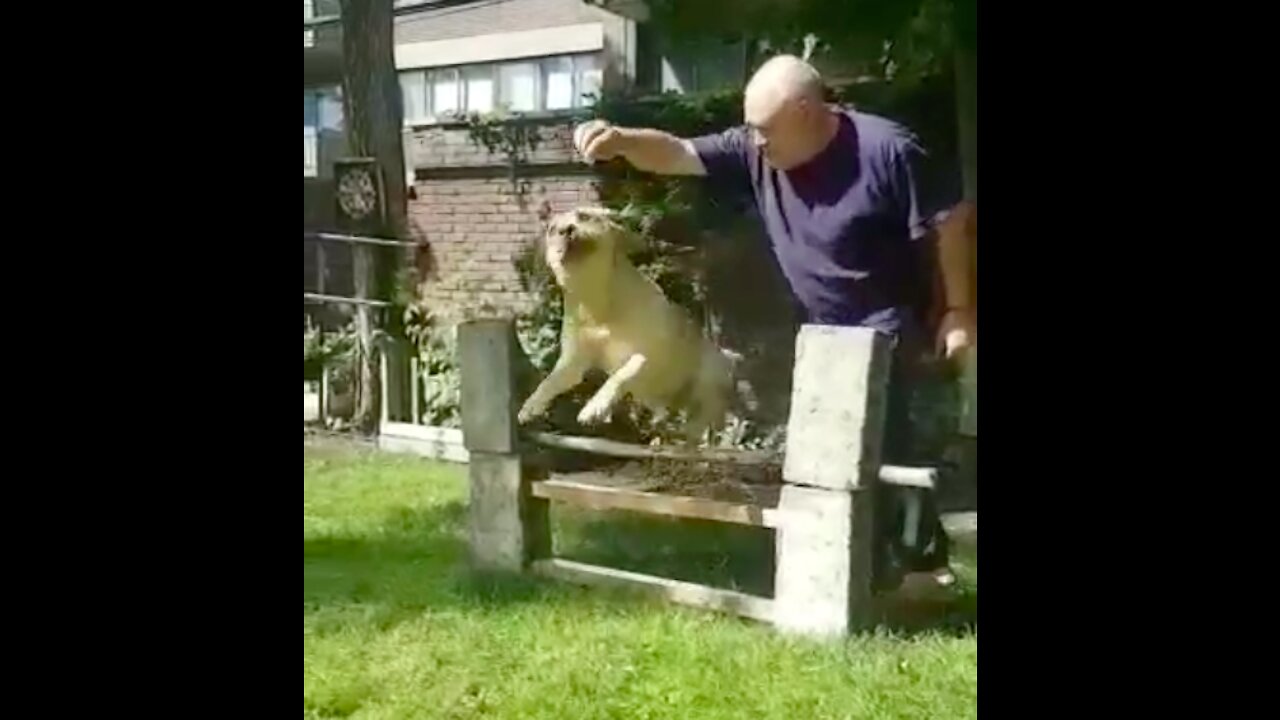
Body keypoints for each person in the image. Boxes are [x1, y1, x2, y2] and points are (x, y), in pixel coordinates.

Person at [572, 54, 976, 592]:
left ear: (808, 112)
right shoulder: (756, 148)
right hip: (826, 335)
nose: (756, 142)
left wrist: (959, 311)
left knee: (891, 446)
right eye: (752, 130)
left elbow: (950, 224)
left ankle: (923, 572)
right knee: (838, 454)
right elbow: (677, 152)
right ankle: (860, 573)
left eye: (766, 130)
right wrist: (621, 140)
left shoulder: (888, 150)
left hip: (897, 325)